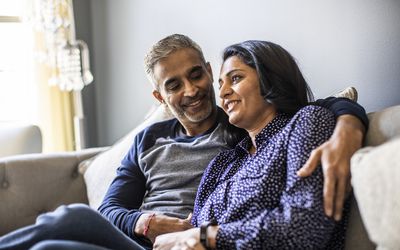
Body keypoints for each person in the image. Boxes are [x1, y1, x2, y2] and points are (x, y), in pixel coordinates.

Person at [0, 35, 367, 250]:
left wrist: (349, 123)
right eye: (174, 85)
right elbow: (111, 209)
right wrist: (148, 223)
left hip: (193, 243)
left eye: (199, 76)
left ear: (208, 70)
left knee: (71, 217)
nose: (197, 91)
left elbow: (313, 108)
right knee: (55, 243)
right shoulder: (173, 145)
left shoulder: (242, 127)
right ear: (160, 98)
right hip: (150, 241)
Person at [153, 40, 355, 250]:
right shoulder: (222, 163)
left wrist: (207, 236)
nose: (222, 93)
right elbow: (190, 237)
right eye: (221, 84)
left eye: (236, 78)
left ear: (270, 79)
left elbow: (305, 229)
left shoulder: (307, 122)